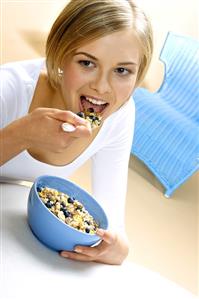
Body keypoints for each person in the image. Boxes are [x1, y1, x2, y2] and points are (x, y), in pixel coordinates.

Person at [0, 0, 153, 265]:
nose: (102, 87)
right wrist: (21, 134)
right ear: (60, 54)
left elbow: (114, 223)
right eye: (86, 63)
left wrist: (116, 247)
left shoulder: (119, 115)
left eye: (121, 71)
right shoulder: (11, 87)